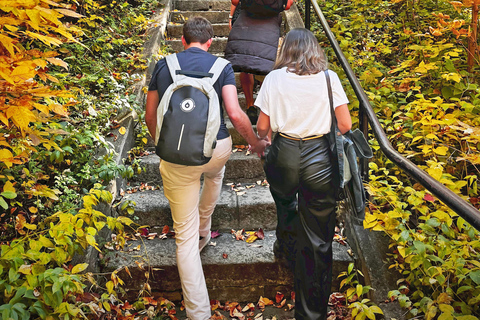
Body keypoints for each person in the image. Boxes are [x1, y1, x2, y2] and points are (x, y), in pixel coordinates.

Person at [145, 17, 268, 320]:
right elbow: (235, 114)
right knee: (215, 173)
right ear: (211, 42)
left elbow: (149, 114)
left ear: (183, 40)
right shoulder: (220, 67)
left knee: (182, 239)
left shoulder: (164, 65)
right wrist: (254, 142)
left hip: (176, 158)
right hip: (216, 149)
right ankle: (204, 228)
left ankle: (198, 313)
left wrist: (164, 145)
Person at [255, 28, 352, 320]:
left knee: (285, 202)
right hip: (319, 158)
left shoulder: (273, 79)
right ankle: (311, 314)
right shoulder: (328, 78)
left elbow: (262, 128)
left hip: (283, 153)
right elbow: (345, 124)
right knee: (319, 237)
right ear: (314, 50)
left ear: (287, 50)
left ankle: (286, 245)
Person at [225, 0, 293, 124]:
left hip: (247, 21)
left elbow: (235, 1)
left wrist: (231, 16)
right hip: (270, 24)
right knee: (265, 64)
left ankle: (250, 105)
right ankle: (263, 107)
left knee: (245, 63)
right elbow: (287, 5)